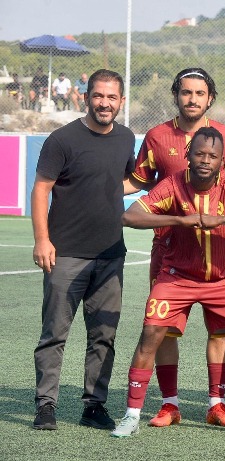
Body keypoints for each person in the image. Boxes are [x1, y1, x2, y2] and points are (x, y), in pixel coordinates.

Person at [111, 127, 225, 439]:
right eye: (199, 154)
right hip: (177, 275)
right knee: (151, 333)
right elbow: (130, 216)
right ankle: (132, 415)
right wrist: (179, 219)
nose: (205, 160)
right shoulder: (172, 184)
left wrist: (224, 219)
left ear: (222, 160)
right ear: (187, 155)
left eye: (212, 156)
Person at [124, 68, 225, 429]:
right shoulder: (157, 136)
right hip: (169, 251)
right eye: (186, 92)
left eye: (199, 93)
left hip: (219, 250)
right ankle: (170, 404)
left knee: (220, 331)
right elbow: (138, 182)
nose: (192, 99)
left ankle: (217, 404)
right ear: (176, 95)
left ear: (210, 98)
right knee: (163, 330)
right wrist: (91, 187)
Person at [32, 69, 136, 431]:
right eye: (98, 96)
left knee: (103, 335)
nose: (105, 103)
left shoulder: (126, 138)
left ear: (121, 101)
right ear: (86, 97)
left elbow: (125, 181)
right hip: (65, 254)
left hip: (111, 255)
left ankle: (94, 406)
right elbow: (41, 189)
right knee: (54, 334)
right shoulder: (62, 139)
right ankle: (46, 405)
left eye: (112, 97)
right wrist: (42, 239)